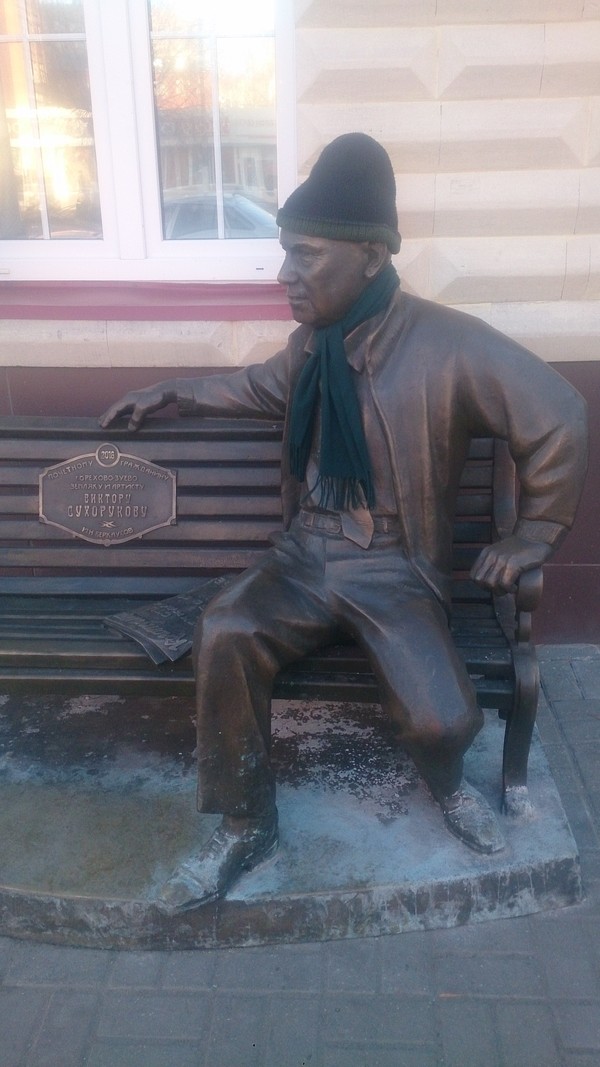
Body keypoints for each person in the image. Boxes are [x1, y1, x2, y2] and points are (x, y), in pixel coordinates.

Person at [100, 133, 588, 912]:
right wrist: (173, 391)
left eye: (306, 255)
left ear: (370, 255)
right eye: (284, 253)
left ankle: (449, 785)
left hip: (394, 569)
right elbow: (254, 388)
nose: (285, 275)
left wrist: (535, 533)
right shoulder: (310, 348)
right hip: (303, 560)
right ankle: (245, 822)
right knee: (225, 629)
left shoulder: (448, 344)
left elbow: (558, 413)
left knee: (440, 717)